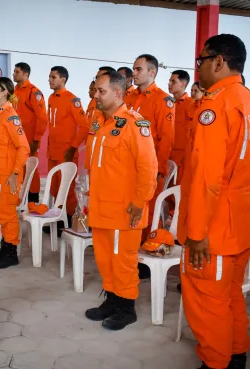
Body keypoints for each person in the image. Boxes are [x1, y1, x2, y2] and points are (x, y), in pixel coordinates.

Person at [177, 34, 250, 369]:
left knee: (207, 301)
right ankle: (236, 353)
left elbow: (206, 178)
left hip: (214, 228)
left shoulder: (215, 106)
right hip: (242, 220)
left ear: (219, 61)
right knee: (230, 295)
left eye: (201, 59)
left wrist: (197, 233)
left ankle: (216, 362)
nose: (197, 66)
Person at [84, 71, 157, 331]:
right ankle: (112, 299)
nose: (95, 95)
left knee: (123, 261)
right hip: (101, 207)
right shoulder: (99, 122)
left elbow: (149, 168)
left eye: (101, 91)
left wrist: (140, 203)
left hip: (125, 210)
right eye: (95, 91)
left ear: (117, 93)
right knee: (104, 259)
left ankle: (127, 307)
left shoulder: (135, 125)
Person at [0, 77, 30, 269]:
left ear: (5, 92)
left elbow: (24, 148)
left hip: (7, 174)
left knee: (6, 213)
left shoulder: (11, 117)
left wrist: (15, 173)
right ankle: (5, 246)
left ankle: (11, 252)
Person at [132, 54, 175, 242]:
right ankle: (131, 248)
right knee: (130, 209)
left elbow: (167, 138)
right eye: (133, 68)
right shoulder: (130, 97)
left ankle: (148, 249)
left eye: (138, 69)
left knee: (147, 212)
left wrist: (159, 169)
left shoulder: (163, 100)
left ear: (152, 72)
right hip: (129, 166)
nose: (134, 73)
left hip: (150, 167)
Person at [44, 66, 90, 234]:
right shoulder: (51, 97)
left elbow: (84, 125)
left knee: (68, 189)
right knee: (55, 188)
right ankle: (58, 218)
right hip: (53, 151)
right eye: (49, 76)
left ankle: (68, 222)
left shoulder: (72, 100)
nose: (49, 79)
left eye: (53, 77)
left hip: (66, 152)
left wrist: (73, 147)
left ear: (63, 79)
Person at [12, 62, 48, 203]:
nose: (14, 74)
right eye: (14, 72)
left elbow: (42, 117)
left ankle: (33, 199)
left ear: (25, 74)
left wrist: (36, 139)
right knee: (18, 168)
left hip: (29, 139)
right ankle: (20, 198)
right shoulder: (13, 91)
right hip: (16, 139)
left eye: (17, 72)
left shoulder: (34, 92)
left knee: (31, 169)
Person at [168, 70, 194, 184]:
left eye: (173, 81)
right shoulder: (167, 104)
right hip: (167, 155)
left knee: (176, 195)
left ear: (183, 84)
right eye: (169, 81)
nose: (169, 84)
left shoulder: (192, 105)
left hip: (183, 160)